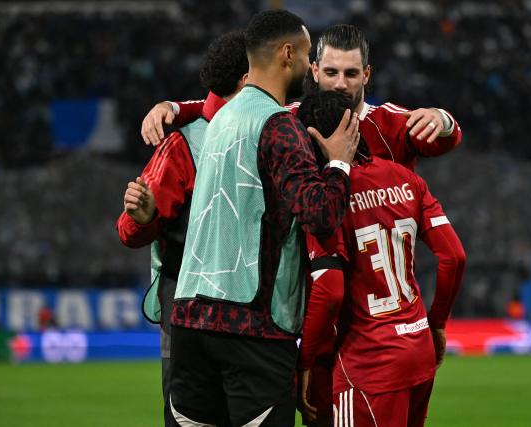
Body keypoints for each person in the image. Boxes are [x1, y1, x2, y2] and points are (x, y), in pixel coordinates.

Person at [169, 10, 360, 427]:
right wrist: (340, 164)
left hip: (188, 320)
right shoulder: (278, 125)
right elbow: (320, 214)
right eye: (309, 55)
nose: (312, 69)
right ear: (287, 54)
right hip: (251, 328)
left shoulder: (219, 121)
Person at [296, 90, 466, 427]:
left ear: (310, 137)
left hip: (367, 364)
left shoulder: (327, 199)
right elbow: (454, 256)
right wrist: (437, 323)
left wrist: (303, 361)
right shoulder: (406, 178)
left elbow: (329, 290)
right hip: (418, 350)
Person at [116, 31, 248, 427]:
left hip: (237, 311)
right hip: (194, 312)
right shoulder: (184, 145)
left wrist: (174, 105)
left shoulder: (269, 129)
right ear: (247, 80)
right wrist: (143, 219)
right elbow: (129, 228)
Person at [141, 24, 462, 174]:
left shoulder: (390, 121)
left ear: (366, 75)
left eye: (350, 74)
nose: (339, 84)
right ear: (315, 71)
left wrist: (442, 119)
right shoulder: (291, 116)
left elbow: (444, 140)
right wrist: (173, 108)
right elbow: (232, 110)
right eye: (331, 72)